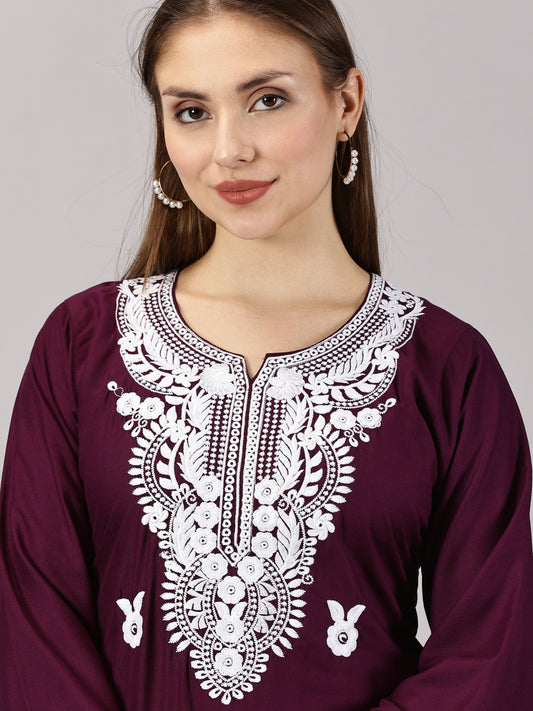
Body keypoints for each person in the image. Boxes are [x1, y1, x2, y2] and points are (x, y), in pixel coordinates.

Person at [1, 0, 532, 709]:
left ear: (346, 103)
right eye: (192, 111)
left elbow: (490, 656)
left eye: (267, 100)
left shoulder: (447, 369)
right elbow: (35, 627)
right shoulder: (81, 347)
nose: (229, 150)